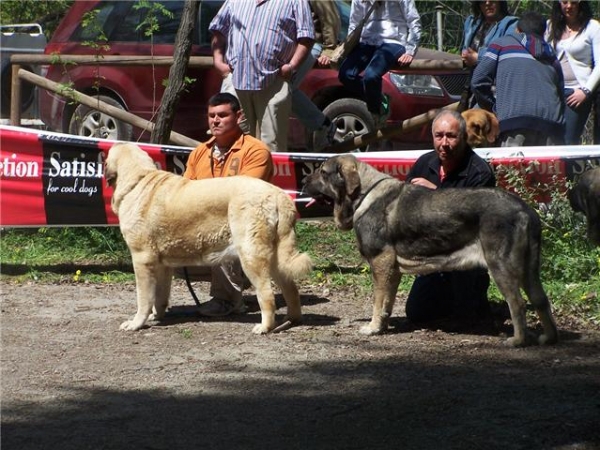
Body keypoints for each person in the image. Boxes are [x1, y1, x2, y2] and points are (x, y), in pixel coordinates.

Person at [183, 92, 274, 317]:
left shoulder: (256, 151)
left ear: (238, 116)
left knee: (224, 231)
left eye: (223, 115)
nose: (216, 120)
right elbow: (184, 197)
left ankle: (227, 300)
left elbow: (244, 198)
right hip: (203, 225)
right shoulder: (198, 153)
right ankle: (156, 304)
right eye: (212, 115)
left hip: (248, 230)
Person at [404, 109, 496, 325]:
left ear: (463, 137)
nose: (444, 143)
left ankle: (473, 302)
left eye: (451, 136)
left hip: (466, 256)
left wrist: (435, 194)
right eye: (439, 136)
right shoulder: (423, 164)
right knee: (416, 314)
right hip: (434, 258)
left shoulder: (480, 173)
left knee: (465, 319)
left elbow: (470, 223)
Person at [209, 0, 315, 153]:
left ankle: (269, 178)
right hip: (237, 81)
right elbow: (218, 29)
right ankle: (238, 177)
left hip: (274, 82)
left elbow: (306, 37)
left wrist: (291, 66)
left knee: (271, 146)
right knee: (235, 144)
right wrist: (218, 61)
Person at [471, 11, 566, 147]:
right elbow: (560, 95)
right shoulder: (551, 55)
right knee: (548, 168)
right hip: (552, 127)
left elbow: (478, 81)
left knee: (512, 167)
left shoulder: (501, 45)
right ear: (543, 33)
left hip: (513, 124)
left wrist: (493, 107)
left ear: (517, 30)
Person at [338, 0, 421, 130]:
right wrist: (349, 47)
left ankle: (376, 112)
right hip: (366, 41)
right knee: (345, 74)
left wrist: (410, 50)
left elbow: (414, 21)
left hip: (393, 42)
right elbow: (354, 23)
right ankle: (380, 99)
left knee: (371, 76)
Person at [546, 1, 600, 145]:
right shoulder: (550, 25)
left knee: (568, 139)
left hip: (577, 93)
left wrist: (585, 91)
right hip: (553, 92)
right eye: (564, 2)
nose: (569, 6)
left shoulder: (592, 27)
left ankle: (569, 167)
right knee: (551, 139)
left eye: (574, 2)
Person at [293, 0, 341, 151]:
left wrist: (329, 48)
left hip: (311, 43)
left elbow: (330, 18)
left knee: (283, 87)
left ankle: (323, 125)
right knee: (278, 89)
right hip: (286, 43)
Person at [460, 1, 518, 109]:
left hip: (493, 90)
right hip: (469, 88)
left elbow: (507, 53)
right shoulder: (472, 22)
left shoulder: (511, 24)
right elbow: (463, 49)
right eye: (482, 1)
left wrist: (479, 58)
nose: (487, 3)